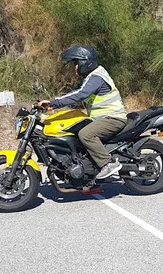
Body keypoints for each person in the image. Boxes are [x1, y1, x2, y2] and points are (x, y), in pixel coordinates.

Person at [39, 45, 127, 180]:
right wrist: (52, 109)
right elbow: (75, 97)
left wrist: (54, 103)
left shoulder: (97, 77)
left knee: (86, 134)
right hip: (102, 118)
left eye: (76, 63)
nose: (75, 67)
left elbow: (80, 94)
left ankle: (107, 164)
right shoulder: (91, 77)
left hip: (113, 118)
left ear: (85, 62)